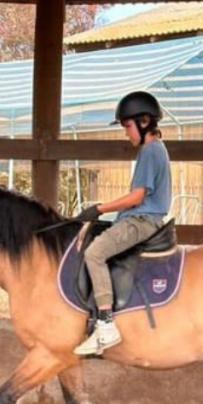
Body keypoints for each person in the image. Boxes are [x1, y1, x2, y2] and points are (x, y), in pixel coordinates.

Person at [73, 91, 172, 355]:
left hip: (141, 220)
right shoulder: (153, 150)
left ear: (144, 122)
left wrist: (98, 209)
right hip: (140, 218)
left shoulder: (151, 151)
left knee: (94, 254)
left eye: (128, 126)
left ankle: (105, 324)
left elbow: (138, 197)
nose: (126, 133)